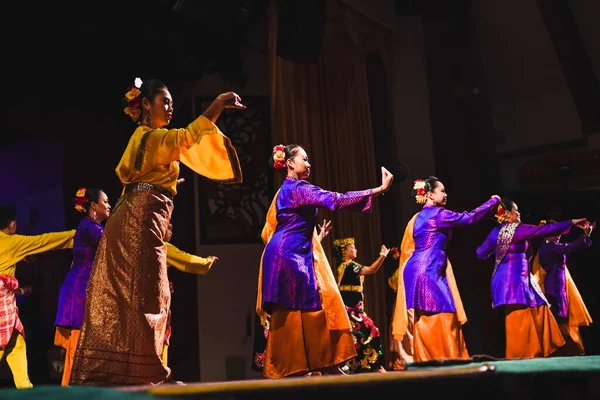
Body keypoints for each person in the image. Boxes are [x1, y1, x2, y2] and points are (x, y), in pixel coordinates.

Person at [69, 77, 244, 386]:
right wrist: (217, 104)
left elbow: (147, 178)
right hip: (137, 221)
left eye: (172, 101)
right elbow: (187, 138)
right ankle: (143, 373)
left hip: (142, 218)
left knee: (149, 293)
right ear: (146, 105)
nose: (171, 105)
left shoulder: (149, 140)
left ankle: (138, 373)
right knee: (147, 294)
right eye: (165, 100)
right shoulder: (150, 137)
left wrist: (167, 192)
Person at [256, 143, 394, 378]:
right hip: (289, 254)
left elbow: (292, 223)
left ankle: (319, 364)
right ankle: (293, 368)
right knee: (303, 310)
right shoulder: (298, 188)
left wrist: (315, 237)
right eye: (304, 159)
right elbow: (336, 200)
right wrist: (378, 190)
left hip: (289, 251)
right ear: (289, 163)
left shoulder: (287, 189)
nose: (309, 164)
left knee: (306, 309)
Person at [390, 177, 500, 367]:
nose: (445, 194)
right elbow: (469, 217)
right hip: (427, 271)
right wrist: (492, 202)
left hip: (419, 269)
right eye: (442, 191)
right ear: (430, 195)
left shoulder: (416, 218)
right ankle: (445, 362)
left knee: (428, 319)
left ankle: (430, 363)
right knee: (443, 315)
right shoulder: (438, 214)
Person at [476, 198, 588, 359]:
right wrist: (571, 222)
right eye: (516, 210)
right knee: (519, 320)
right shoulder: (518, 229)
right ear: (507, 214)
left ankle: (539, 352)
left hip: (509, 281)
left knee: (540, 308)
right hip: (515, 282)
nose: (519, 213)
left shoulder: (494, 233)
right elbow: (543, 231)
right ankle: (519, 355)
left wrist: (497, 251)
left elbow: (480, 253)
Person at [0, 204, 75, 388]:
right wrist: (78, 235)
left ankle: (26, 390)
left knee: (17, 347)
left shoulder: (9, 245)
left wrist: (20, 255)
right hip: (2, 312)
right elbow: (44, 241)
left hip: (9, 314)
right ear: (12, 225)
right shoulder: (11, 242)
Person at [54, 188, 111, 386]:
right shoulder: (89, 227)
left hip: (84, 291)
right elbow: (114, 245)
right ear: (93, 205)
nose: (109, 205)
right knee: (77, 352)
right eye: (106, 201)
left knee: (85, 354)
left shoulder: (93, 227)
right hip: (78, 293)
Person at [531, 220, 595, 356]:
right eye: (554, 233)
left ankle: (568, 351)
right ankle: (566, 351)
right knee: (560, 320)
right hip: (554, 287)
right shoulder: (549, 248)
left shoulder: (549, 246)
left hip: (558, 286)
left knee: (563, 320)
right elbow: (570, 247)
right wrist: (585, 236)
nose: (558, 235)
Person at [161, 223, 218, 370]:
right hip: (157, 302)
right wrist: (207, 262)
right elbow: (186, 260)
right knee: (161, 337)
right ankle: (159, 375)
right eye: (168, 226)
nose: (171, 228)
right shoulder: (161, 247)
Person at [333, 237, 388, 373]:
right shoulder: (351, 266)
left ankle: (363, 366)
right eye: (352, 247)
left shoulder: (345, 267)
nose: (355, 249)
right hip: (351, 312)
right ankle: (374, 366)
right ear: (344, 251)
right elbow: (370, 270)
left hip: (354, 311)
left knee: (357, 339)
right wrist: (382, 256)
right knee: (371, 332)